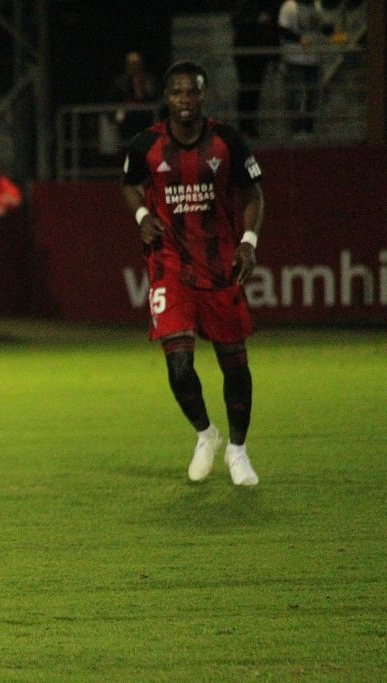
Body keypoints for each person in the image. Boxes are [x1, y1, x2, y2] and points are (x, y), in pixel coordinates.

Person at [120, 61, 265, 487]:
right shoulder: (146, 144)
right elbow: (128, 183)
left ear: (203, 96)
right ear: (167, 98)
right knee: (180, 365)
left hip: (221, 266)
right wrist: (142, 214)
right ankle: (206, 434)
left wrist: (249, 242)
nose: (185, 99)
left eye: (193, 92)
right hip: (169, 266)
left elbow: (254, 192)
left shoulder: (227, 141)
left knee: (234, 366)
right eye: (178, 92)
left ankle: (238, 449)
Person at [278, 0, 333, 136]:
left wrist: (329, 29)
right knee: (295, 96)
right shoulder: (290, 5)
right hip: (294, 58)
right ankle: (295, 129)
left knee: (313, 96)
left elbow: (323, 28)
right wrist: (299, 38)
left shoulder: (317, 6)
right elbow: (282, 30)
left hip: (313, 59)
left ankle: (309, 128)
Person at [231, 0, 282, 138]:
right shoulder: (244, 4)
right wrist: (256, 19)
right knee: (246, 89)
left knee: (255, 91)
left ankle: (251, 127)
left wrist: (276, 54)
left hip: (261, 53)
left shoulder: (268, 6)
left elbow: (273, 28)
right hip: (245, 53)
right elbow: (236, 20)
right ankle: (244, 128)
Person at [108, 51, 160, 145]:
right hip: (127, 125)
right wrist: (115, 117)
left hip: (146, 123)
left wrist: (149, 90)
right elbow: (111, 103)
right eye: (131, 64)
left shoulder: (150, 80)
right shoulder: (119, 83)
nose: (134, 67)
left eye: (137, 64)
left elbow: (157, 99)